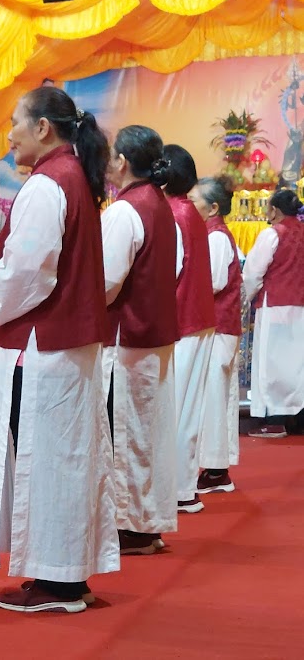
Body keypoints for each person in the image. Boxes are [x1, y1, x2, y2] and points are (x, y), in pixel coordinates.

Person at [0, 86, 118, 613]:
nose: (7, 134)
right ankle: (65, 575)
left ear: (42, 129)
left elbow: (31, 273)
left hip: (43, 345)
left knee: (46, 460)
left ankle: (59, 582)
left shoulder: (47, 183)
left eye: (14, 121)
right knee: (64, 459)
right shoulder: (71, 176)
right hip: (64, 346)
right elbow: (36, 254)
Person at [101, 126, 178, 556]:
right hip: (154, 332)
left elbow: (106, 282)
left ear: (122, 162)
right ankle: (148, 521)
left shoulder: (126, 211)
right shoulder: (160, 205)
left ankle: (132, 523)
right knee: (148, 431)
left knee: (128, 431)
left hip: (129, 337)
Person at [162, 144, 216, 515]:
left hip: (181, 321)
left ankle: (175, 489)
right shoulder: (190, 212)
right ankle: (182, 488)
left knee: (172, 410)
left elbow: (167, 273)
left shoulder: (171, 213)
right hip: (198, 319)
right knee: (187, 410)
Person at [188, 176, 242, 490]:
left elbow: (213, 282)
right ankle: (214, 468)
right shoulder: (210, 234)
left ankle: (216, 470)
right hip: (217, 326)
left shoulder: (217, 237)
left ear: (213, 208)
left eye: (194, 199)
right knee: (213, 397)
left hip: (218, 327)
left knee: (212, 397)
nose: (189, 204)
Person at [242, 188, 304, 438]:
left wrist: (244, 299)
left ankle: (275, 419)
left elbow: (253, 273)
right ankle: (297, 418)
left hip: (276, 305)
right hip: (300, 306)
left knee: (273, 363)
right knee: (297, 363)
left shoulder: (271, 234)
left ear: (274, 210)